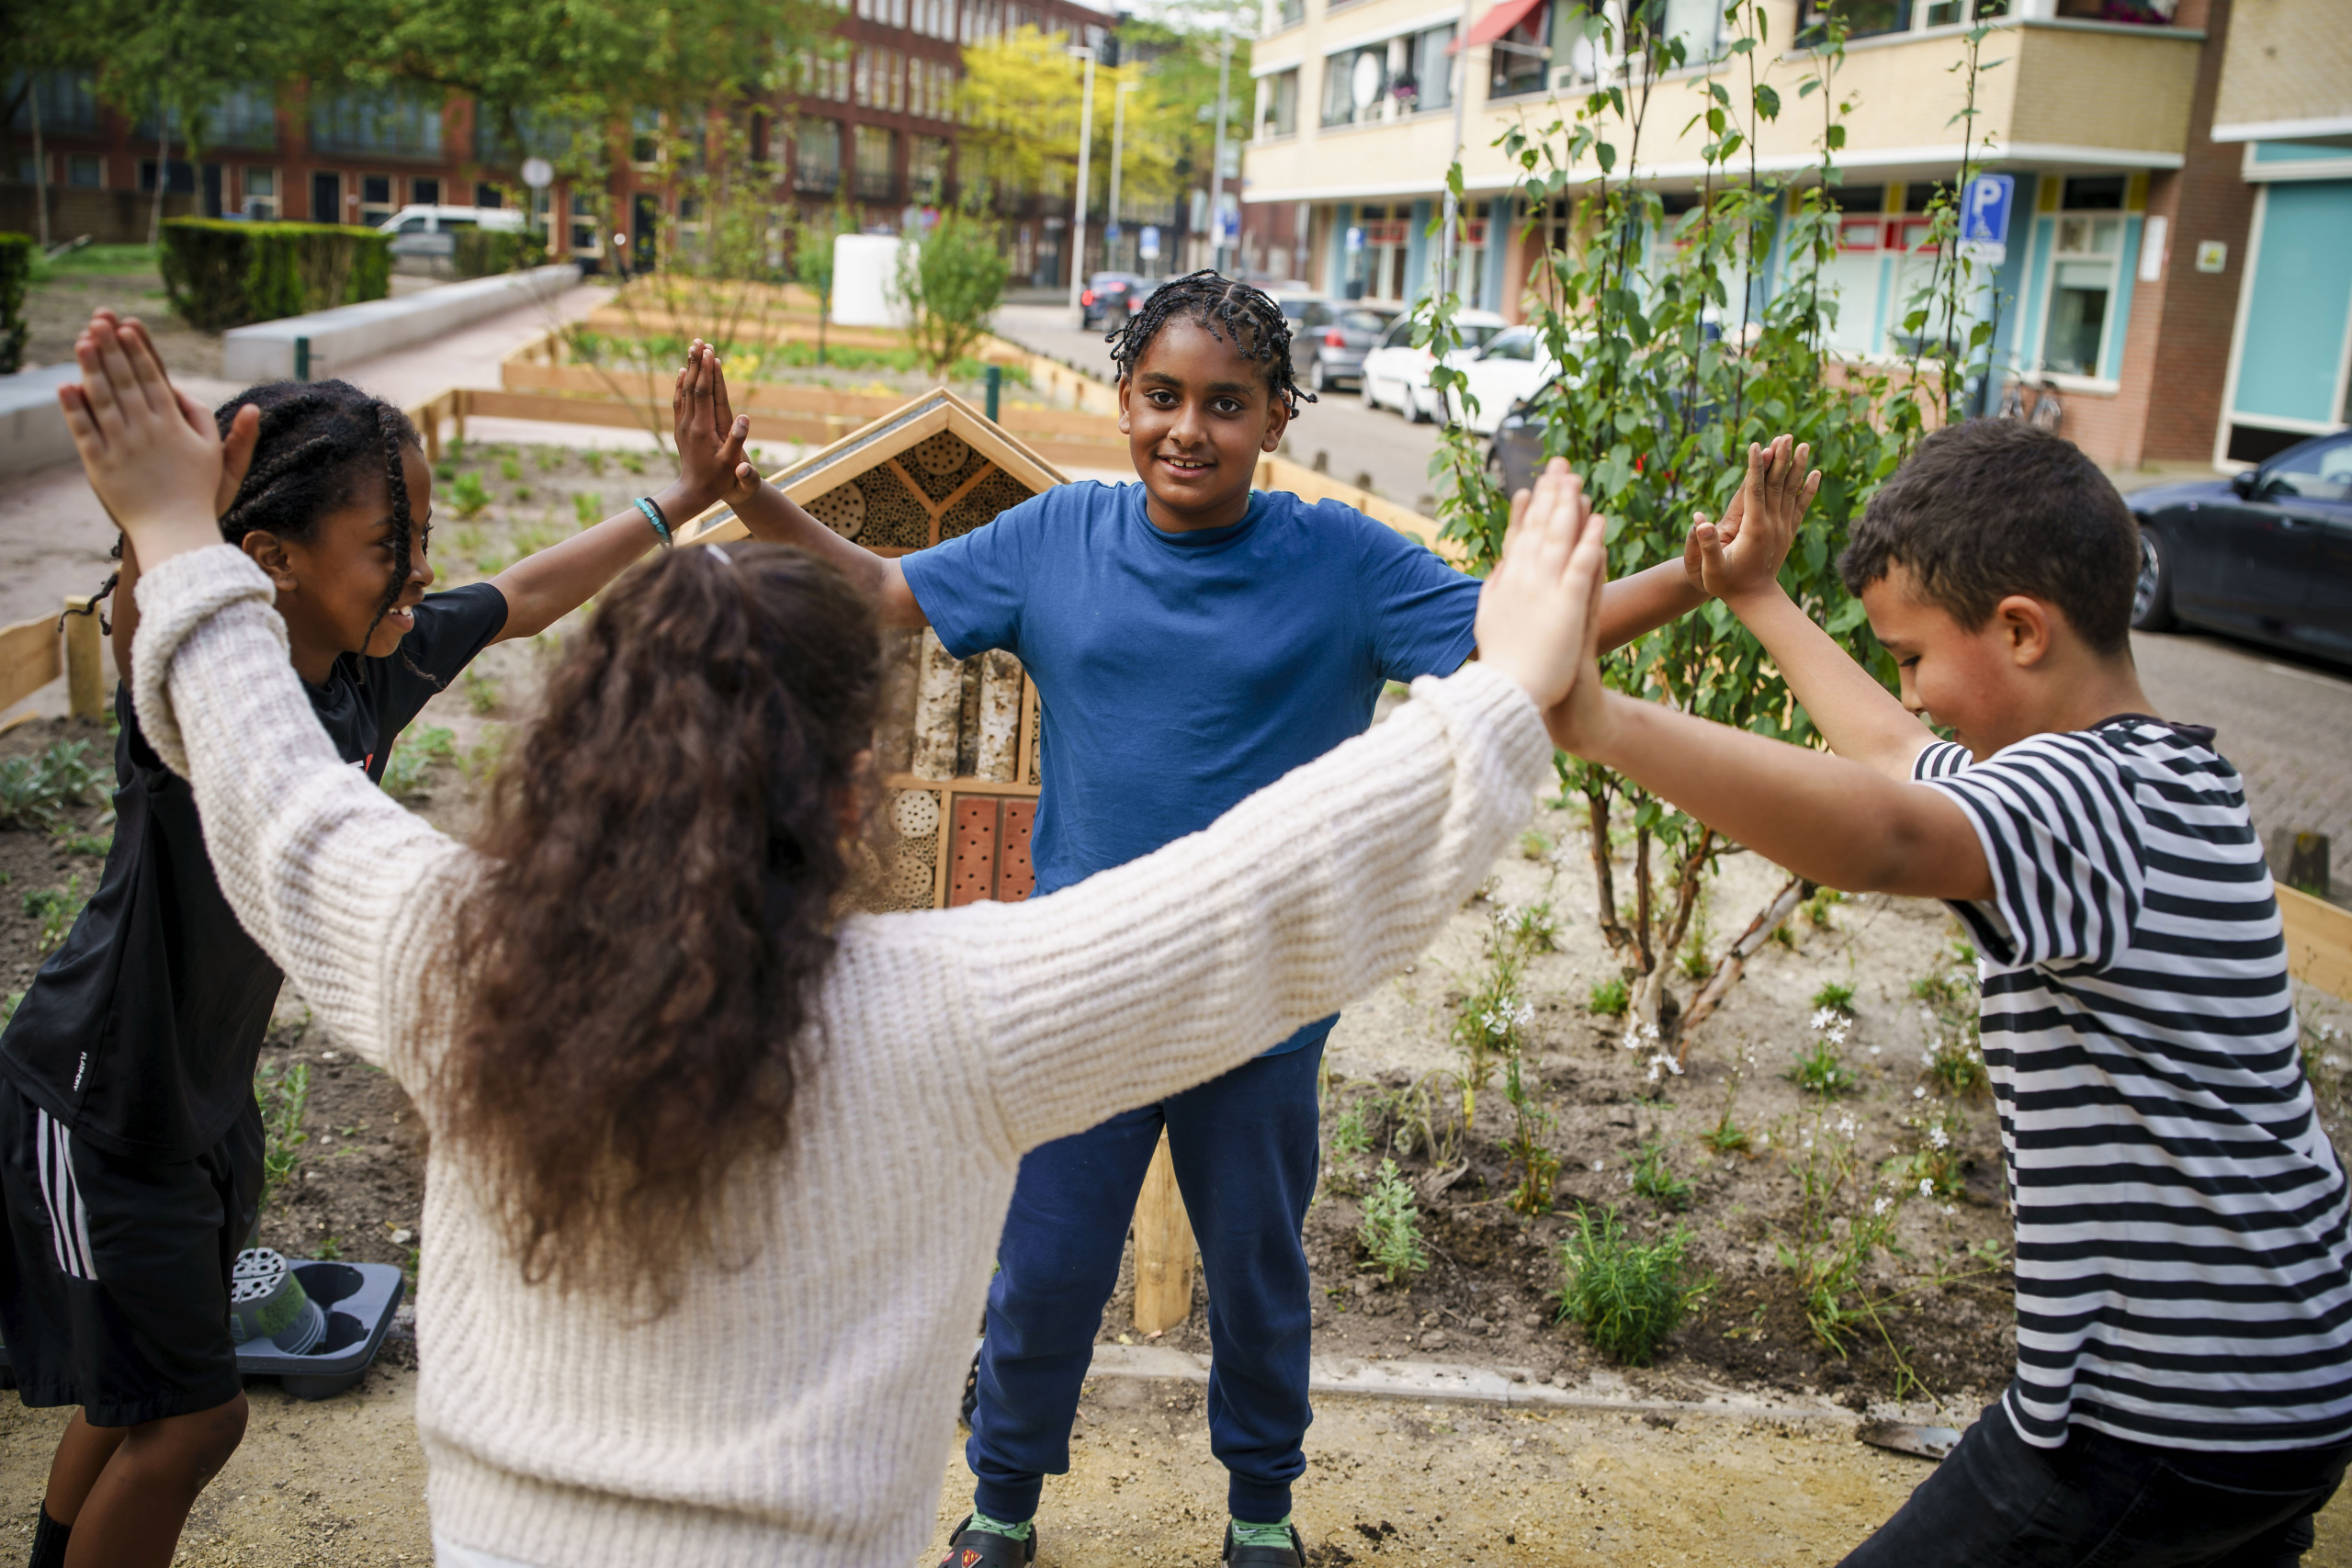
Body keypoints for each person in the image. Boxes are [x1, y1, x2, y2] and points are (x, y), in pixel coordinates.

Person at [59, 310, 1608, 1567]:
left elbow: (271, 789)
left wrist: (180, 542)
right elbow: (1265, 901)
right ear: (857, 786)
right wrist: (1504, 695)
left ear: (584, 739)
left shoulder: (446, 955)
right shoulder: (961, 1015)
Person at [709, 269, 1792, 1566]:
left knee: (1259, 1276)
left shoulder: (1342, 561)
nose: (1188, 428)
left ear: (1278, 417)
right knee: (1043, 1271)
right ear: (1123, 398)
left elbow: (1528, 645)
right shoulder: (1058, 536)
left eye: (1226, 404)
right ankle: (1002, 1505)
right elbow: (885, 591)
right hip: (1085, 988)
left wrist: (1700, 576)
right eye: (1162, 395)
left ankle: (1260, 1510)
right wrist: (744, 496)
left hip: (1259, 1000)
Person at [0, 311, 756, 1568]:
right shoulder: (192, 685)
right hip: (99, 1104)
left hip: (201, 1103)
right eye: (383, 544)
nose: (415, 568)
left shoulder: (374, 667)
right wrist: (162, 519)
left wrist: (685, 495)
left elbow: (527, 593)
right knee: (194, 1422)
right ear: (269, 558)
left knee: (135, 1398)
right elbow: (152, 615)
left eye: (420, 534)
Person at [1539, 420, 2352, 1567]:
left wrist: (1598, 718)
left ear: (2020, 629)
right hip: (2283, 1383)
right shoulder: (2162, 774)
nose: (1909, 693)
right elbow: (1889, 755)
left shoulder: (2081, 798)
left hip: (2154, 1412)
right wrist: (1757, 596)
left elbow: (1884, 834)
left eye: (1913, 656)